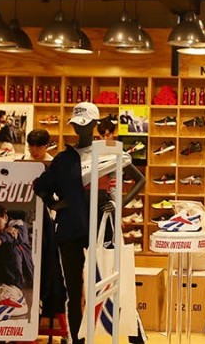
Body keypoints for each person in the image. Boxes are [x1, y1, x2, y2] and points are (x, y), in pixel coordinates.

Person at [34, 102, 146, 344]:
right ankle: (78, 340)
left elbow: (139, 179)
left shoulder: (108, 152)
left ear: (95, 124)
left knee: (115, 283)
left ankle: (135, 338)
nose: (80, 129)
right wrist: (54, 204)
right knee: (74, 291)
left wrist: (118, 203)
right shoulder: (64, 159)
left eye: (85, 124)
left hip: (102, 223)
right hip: (70, 227)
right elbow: (41, 186)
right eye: (77, 124)